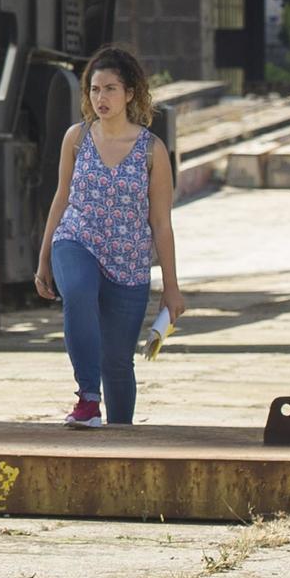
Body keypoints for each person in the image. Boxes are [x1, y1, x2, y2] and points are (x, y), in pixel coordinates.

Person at [34, 44, 184, 429]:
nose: (101, 98)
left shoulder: (152, 150)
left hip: (129, 260)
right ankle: (87, 398)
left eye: (110, 89)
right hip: (76, 238)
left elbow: (161, 223)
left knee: (117, 361)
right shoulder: (77, 139)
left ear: (130, 93)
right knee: (79, 293)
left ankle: (121, 441)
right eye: (95, 90)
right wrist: (44, 256)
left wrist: (171, 287)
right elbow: (61, 197)